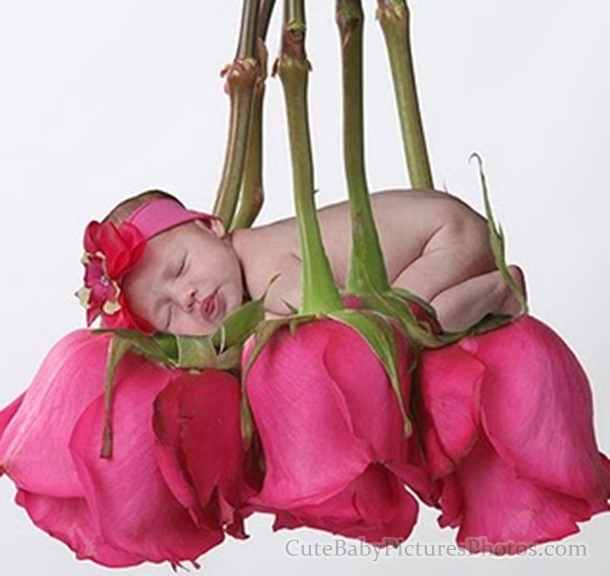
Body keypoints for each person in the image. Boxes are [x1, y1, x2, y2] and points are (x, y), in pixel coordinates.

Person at [78, 188, 526, 336]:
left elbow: (326, 321)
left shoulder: (260, 258)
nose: (187, 296)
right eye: (167, 311)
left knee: (402, 327)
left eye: (179, 269)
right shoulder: (243, 276)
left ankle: (501, 290)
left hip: (445, 235)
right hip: (438, 234)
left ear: (213, 228)